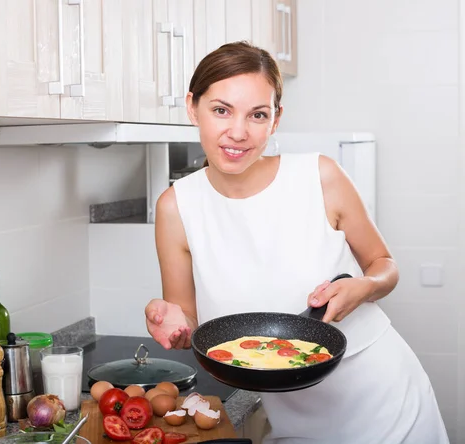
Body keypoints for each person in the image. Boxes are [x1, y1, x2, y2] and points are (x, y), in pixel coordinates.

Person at [143, 41, 449, 444]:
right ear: (191, 107)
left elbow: (385, 265)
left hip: (383, 400)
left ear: (276, 120)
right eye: (221, 110)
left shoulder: (320, 176)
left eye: (258, 115)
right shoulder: (175, 207)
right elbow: (192, 326)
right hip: (290, 415)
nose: (238, 131)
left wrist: (365, 287)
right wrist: (168, 320)